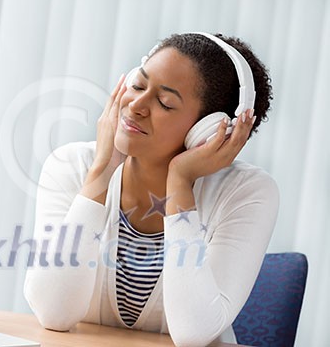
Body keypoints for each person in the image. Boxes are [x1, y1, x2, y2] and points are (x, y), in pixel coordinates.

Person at [23, 32, 279, 347]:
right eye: (138, 85)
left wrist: (180, 182)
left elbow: (193, 334)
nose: (137, 105)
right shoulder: (72, 166)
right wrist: (101, 175)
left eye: (165, 102)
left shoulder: (246, 193)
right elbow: (53, 313)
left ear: (209, 130)